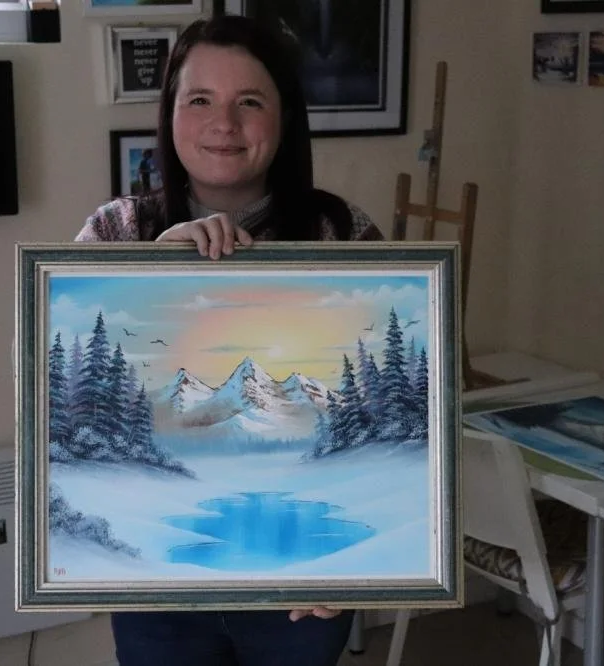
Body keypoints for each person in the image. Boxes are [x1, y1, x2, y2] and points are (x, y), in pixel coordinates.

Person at [74, 14, 384, 666]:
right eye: (200, 100)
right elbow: (53, 396)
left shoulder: (340, 231)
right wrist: (145, 274)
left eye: (249, 102)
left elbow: (393, 414)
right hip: (155, 585)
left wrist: (365, 558)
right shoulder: (114, 230)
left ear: (284, 116)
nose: (224, 123)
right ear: (170, 114)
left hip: (302, 589)